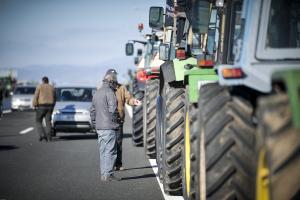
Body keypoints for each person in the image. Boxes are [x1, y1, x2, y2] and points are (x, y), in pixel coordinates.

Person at [105, 69, 141, 171]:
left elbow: (128, 99)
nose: (113, 78)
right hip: (107, 122)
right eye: (111, 76)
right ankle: (108, 165)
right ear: (107, 77)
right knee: (108, 144)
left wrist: (134, 101)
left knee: (118, 143)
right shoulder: (104, 89)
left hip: (118, 121)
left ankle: (118, 164)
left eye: (114, 76)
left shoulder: (121, 88)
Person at [90, 70, 121, 181]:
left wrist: (94, 124)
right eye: (115, 83)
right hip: (109, 127)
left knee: (102, 151)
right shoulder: (110, 92)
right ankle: (109, 174)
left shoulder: (97, 93)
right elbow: (113, 110)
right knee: (111, 151)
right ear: (111, 82)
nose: (116, 85)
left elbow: (92, 111)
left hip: (99, 127)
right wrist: (116, 123)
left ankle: (104, 174)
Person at [32, 76, 56, 142]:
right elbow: (55, 97)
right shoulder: (52, 87)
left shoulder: (39, 86)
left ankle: (42, 134)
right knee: (48, 122)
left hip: (41, 106)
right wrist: (53, 105)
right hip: (50, 106)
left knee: (38, 120)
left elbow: (36, 96)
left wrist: (34, 105)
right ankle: (49, 137)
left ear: (42, 81)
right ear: (48, 81)